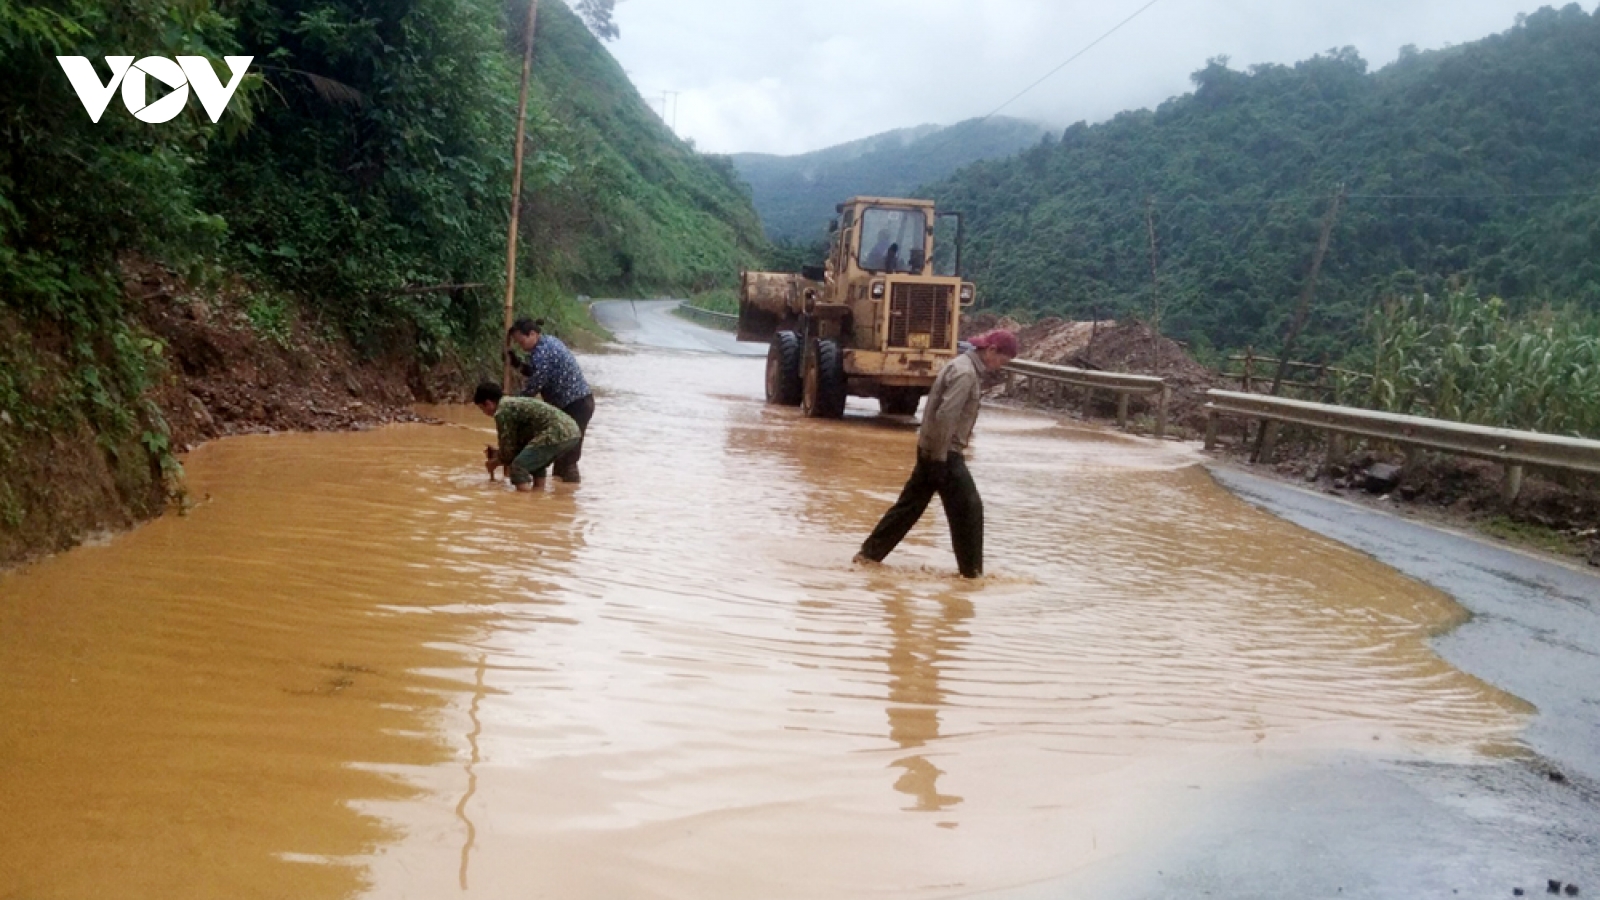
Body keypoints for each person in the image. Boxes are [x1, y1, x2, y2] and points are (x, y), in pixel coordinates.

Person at [854, 329, 1019, 578]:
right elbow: (945, 417)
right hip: (945, 454)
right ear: (992, 350)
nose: (999, 367)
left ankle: (868, 556)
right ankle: (971, 577)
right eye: (1001, 360)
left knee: (908, 509)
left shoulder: (963, 366)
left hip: (931, 450)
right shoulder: (965, 374)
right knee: (969, 510)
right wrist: (940, 460)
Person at [508, 318, 594, 483]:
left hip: (576, 405)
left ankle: (566, 496)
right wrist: (517, 364)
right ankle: (560, 498)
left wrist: (514, 404)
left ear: (533, 334)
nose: (521, 346)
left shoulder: (543, 352)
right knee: (562, 455)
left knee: (567, 458)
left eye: (521, 341)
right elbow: (537, 373)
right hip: (579, 403)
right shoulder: (548, 343)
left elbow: (536, 384)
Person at [474, 382, 581, 492]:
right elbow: (518, 446)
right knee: (536, 464)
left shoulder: (502, 411)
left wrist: (494, 462)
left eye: (482, 409)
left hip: (557, 432)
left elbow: (508, 451)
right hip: (573, 432)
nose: (485, 413)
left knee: (518, 467)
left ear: (488, 403)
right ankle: (536, 499)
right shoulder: (512, 403)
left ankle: (523, 503)